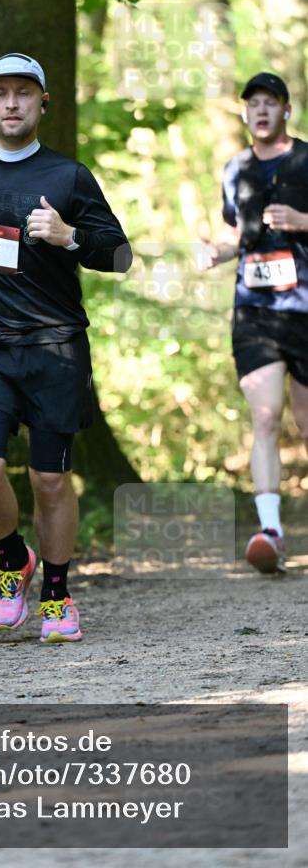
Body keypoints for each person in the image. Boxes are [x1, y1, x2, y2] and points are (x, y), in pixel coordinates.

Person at [0, 53, 132, 643]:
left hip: (56, 349)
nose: (12, 103)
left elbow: (120, 255)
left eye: (24, 93)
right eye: (1, 93)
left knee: (49, 481)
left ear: (43, 102)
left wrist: (72, 238)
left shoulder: (68, 177)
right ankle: (13, 558)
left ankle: (57, 594)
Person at [200, 72, 308, 574]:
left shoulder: (306, 159)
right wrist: (215, 253)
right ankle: (271, 532)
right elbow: (236, 236)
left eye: (270, 103)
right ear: (245, 113)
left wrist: (304, 222)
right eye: (253, 104)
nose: (261, 111)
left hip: (305, 309)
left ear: (287, 109)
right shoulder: (235, 168)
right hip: (255, 313)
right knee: (264, 416)